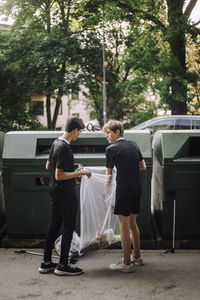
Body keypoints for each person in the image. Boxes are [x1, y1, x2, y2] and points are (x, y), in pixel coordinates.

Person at [39, 117, 91, 276]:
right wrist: (81, 172)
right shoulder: (65, 148)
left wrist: (70, 166)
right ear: (75, 130)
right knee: (69, 227)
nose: (79, 135)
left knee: (54, 226)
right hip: (65, 192)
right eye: (80, 131)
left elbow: (49, 165)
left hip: (54, 191)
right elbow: (60, 175)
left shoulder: (56, 142)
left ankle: (46, 263)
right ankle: (62, 265)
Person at [103, 121, 146, 273]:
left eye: (108, 133)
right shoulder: (133, 144)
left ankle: (126, 263)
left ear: (117, 132)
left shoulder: (110, 149)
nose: (107, 136)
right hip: (136, 188)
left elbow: (108, 175)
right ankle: (137, 257)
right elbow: (143, 166)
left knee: (124, 226)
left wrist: (105, 191)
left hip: (123, 190)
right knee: (133, 223)